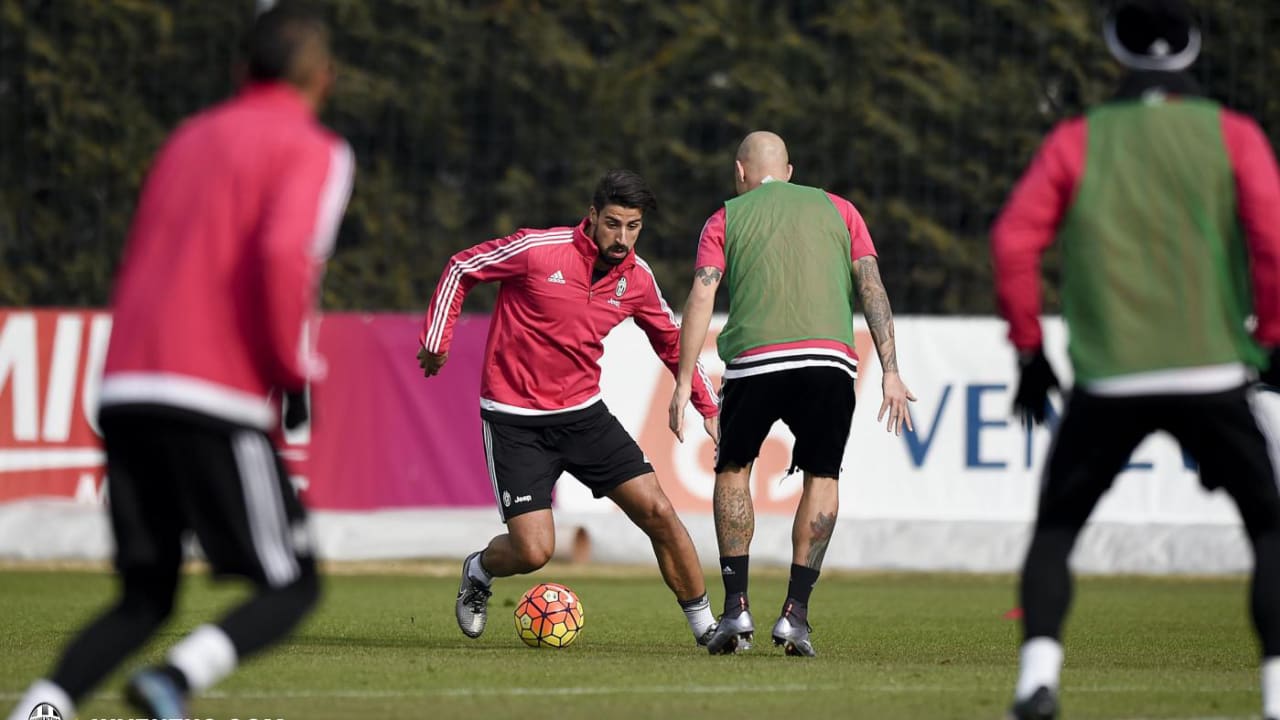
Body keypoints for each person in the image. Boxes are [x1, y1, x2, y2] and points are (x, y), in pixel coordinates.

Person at [6, 4, 353, 719]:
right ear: (325, 78)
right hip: (211, 390)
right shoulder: (314, 148)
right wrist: (292, 370)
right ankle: (173, 679)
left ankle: (41, 708)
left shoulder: (188, 136)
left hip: (125, 384)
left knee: (145, 595)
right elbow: (285, 254)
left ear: (239, 68)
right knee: (292, 583)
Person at [991, 1, 1280, 717]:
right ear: (1193, 51)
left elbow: (1012, 242)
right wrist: (1272, 336)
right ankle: (1277, 696)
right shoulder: (1234, 133)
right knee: (1269, 531)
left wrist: (1029, 351)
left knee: (1056, 531)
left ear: (1116, 52)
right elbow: (1273, 238)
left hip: (1109, 377)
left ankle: (1037, 680)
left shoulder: (1077, 139)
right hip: (1214, 369)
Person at [417, 170, 723, 646]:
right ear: (593, 215)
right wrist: (438, 340)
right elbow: (462, 267)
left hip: (584, 416)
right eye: (613, 224)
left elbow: (672, 339)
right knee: (534, 551)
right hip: (515, 421)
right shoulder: (538, 250)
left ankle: (709, 629)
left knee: (659, 511)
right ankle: (478, 570)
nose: (622, 238)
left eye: (634, 227)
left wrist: (707, 405)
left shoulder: (637, 279)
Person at [669, 131, 916, 657]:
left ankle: (736, 608)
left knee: (733, 470)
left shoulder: (725, 217)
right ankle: (795, 615)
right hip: (828, 362)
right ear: (789, 171)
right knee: (822, 476)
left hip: (754, 362)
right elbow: (872, 286)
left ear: (740, 172)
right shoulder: (841, 210)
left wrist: (683, 378)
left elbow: (702, 293)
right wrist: (891, 370)